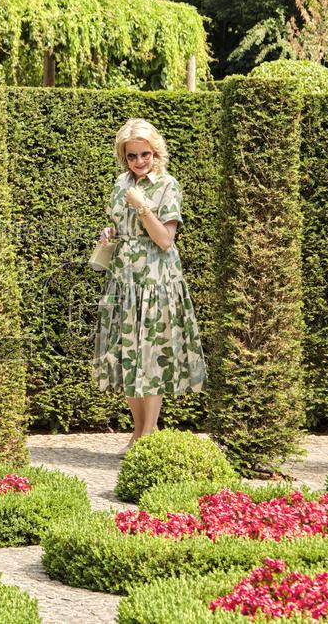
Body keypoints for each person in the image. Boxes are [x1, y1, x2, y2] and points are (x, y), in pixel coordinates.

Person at [92, 118, 206, 450]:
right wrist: (109, 233)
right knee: (129, 354)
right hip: (124, 279)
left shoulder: (168, 185)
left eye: (145, 154)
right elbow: (117, 222)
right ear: (123, 157)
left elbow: (165, 240)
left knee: (152, 356)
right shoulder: (120, 184)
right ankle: (139, 431)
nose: (139, 161)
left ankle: (147, 434)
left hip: (157, 280)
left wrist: (141, 206)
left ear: (156, 152)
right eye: (132, 156)